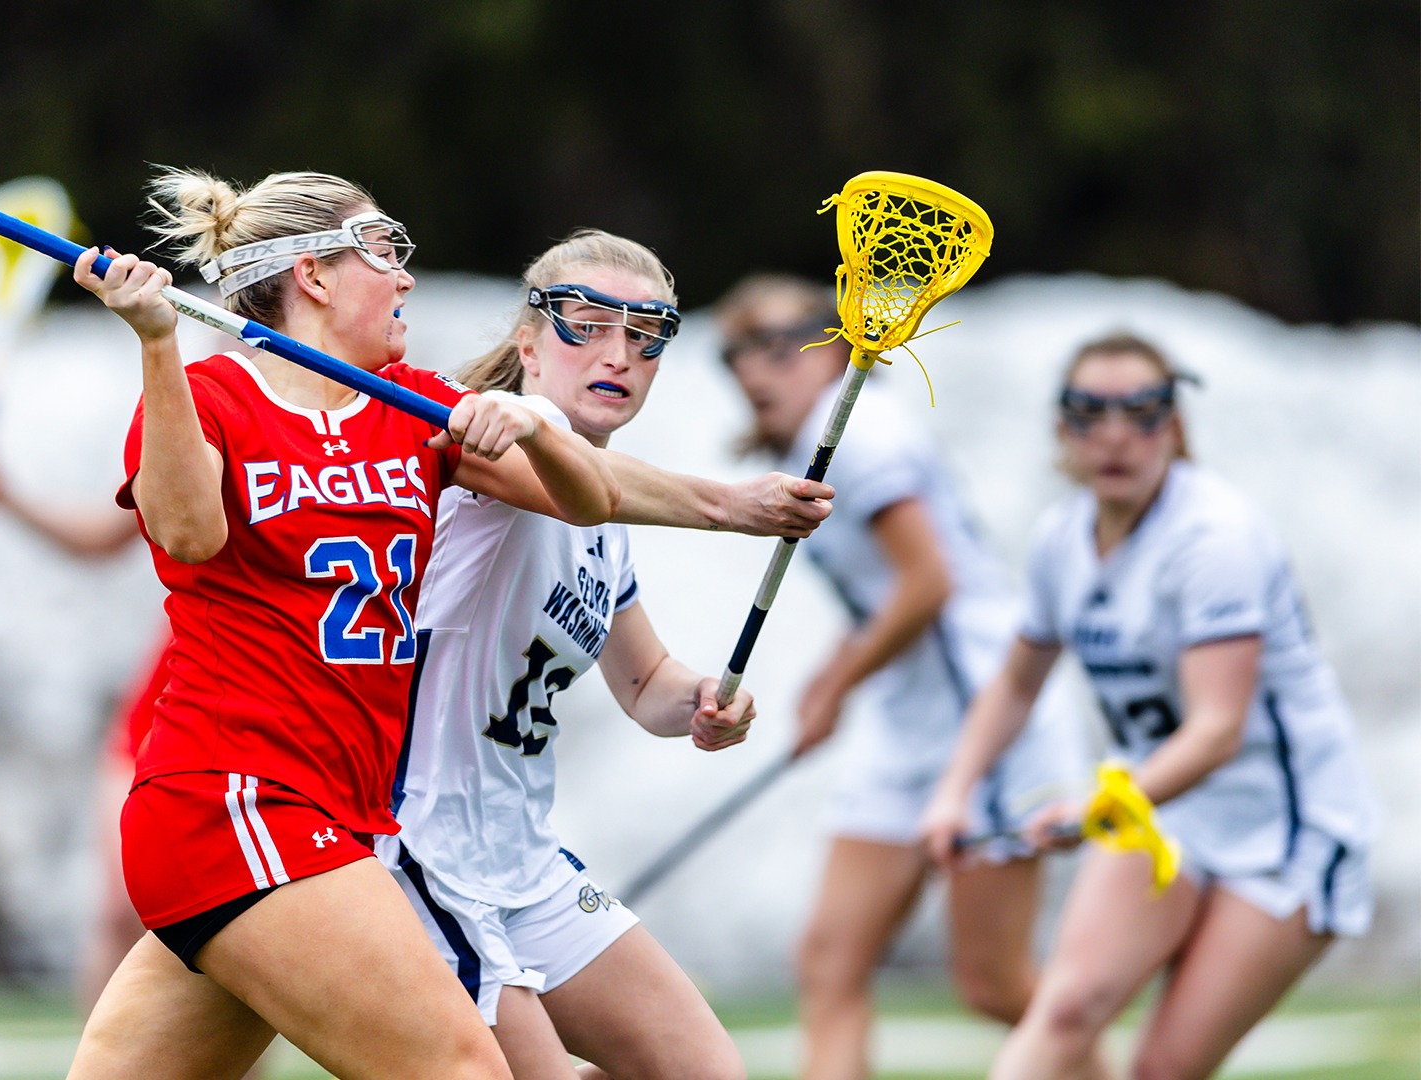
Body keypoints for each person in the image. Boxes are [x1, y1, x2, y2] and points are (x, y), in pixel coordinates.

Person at [65, 168, 621, 1080]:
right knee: (466, 1070)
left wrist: (543, 429)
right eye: (383, 250)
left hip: (335, 810)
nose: (405, 276)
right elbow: (188, 535)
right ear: (314, 276)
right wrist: (157, 343)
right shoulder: (214, 395)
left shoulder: (410, 404)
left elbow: (588, 499)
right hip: (237, 798)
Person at [383, 232, 835, 1080]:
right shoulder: (486, 446)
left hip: (524, 857)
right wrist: (734, 503)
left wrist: (707, 698)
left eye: (645, 336)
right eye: (586, 325)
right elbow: (561, 476)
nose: (617, 354)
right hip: (419, 853)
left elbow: (646, 685)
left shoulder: (605, 518)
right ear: (528, 343)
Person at [919, 333, 1376, 1080]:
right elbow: (1015, 683)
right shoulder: (1061, 538)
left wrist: (1096, 808)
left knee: (1164, 1067)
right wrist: (953, 791)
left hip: (1288, 827)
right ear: (1060, 429)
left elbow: (1218, 730)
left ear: (1175, 423)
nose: (1115, 436)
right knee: (1066, 1010)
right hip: (1161, 808)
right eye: (1089, 413)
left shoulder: (1214, 539)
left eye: (1142, 412)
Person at [716, 274, 1085, 1080]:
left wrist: (836, 682)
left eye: (780, 346)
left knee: (991, 982)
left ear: (837, 344)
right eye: (738, 353)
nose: (755, 370)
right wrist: (843, 680)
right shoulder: (810, 438)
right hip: (905, 729)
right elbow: (887, 599)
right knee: (829, 959)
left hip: (986, 721)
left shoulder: (865, 431)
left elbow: (928, 582)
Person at [0, 453, 165, 1012]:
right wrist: (9, 498)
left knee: (243, 933)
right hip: (156, 717)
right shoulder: (214, 422)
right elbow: (102, 537)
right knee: (119, 912)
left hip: (259, 719)